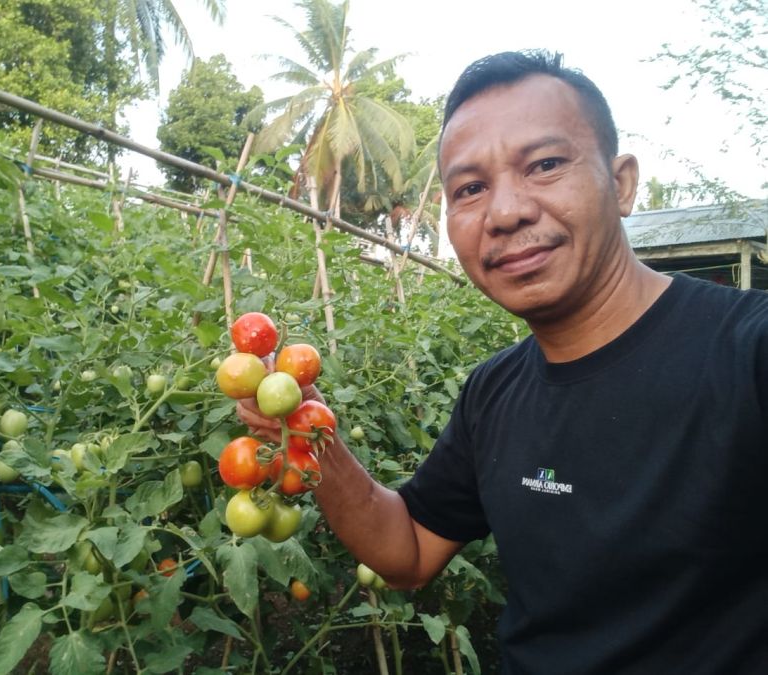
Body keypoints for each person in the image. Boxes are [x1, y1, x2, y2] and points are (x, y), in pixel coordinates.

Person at [239, 50, 768, 674]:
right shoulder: (494, 392)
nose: (506, 212)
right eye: (470, 188)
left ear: (621, 182)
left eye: (545, 165)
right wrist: (306, 431)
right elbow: (407, 550)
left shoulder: (748, 352)